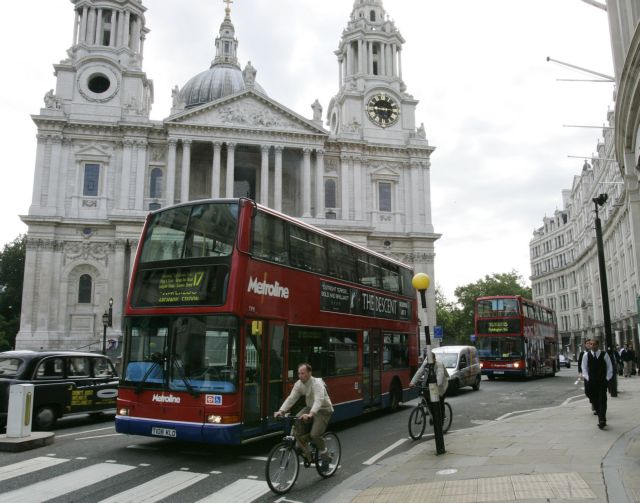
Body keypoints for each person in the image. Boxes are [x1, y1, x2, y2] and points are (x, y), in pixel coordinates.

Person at [274, 363, 333, 465]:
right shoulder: (299, 384)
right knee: (297, 421)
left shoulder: (317, 384)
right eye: (299, 373)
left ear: (309, 373)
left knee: (315, 434)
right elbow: (291, 398)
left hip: (323, 410)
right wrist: (281, 411)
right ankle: (306, 452)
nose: (300, 375)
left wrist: (311, 414)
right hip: (310, 407)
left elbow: (319, 400)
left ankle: (325, 455)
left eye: (303, 373)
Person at [582, 338, 613, 429]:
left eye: (594, 344)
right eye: (590, 344)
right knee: (592, 397)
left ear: (598, 345)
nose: (592, 346)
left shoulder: (604, 354)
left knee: (602, 400)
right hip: (591, 381)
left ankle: (602, 419)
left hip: (602, 381)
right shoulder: (586, 355)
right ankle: (598, 411)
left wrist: (607, 378)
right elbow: (584, 368)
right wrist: (587, 378)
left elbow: (609, 367)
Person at [409, 351, 449, 422]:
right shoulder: (425, 364)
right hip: (430, 384)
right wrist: (412, 382)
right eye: (427, 359)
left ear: (434, 359)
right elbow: (419, 373)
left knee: (440, 402)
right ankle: (433, 415)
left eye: (430, 359)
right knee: (428, 400)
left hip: (441, 385)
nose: (428, 361)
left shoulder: (439, 365)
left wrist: (436, 385)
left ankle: (441, 419)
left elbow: (439, 377)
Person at [577, 339, 594, 412]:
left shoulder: (594, 353)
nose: (588, 345)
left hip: (593, 374)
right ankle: (592, 400)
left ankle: (594, 404)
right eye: (587, 343)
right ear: (585, 345)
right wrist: (580, 372)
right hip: (586, 374)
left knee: (594, 390)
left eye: (590, 343)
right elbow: (580, 363)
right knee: (587, 391)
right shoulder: (582, 353)